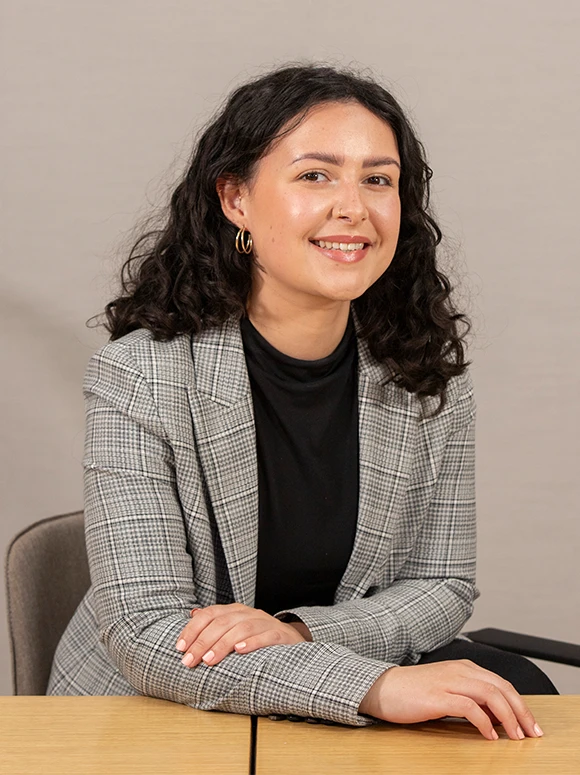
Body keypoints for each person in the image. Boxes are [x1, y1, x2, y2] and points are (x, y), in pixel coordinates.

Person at [47, 63, 557, 738]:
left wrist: (296, 632)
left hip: (329, 712)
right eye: (315, 175)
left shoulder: (427, 377)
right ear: (235, 198)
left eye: (378, 179)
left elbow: (441, 584)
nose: (353, 206)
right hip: (154, 713)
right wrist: (373, 684)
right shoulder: (139, 376)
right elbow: (147, 632)